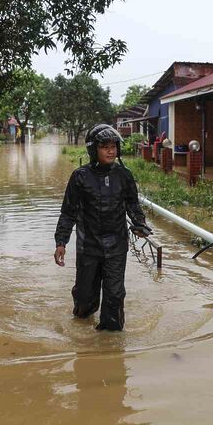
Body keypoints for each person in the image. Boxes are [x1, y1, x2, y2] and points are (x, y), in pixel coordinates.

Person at [54, 124, 152, 331]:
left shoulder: (124, 175)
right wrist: (61, 242)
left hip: (117, 245)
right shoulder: (80, 177)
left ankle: (111, 342)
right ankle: (81, 327)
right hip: (88, 246)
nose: (111, 151)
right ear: (93, 150)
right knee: (84, 298)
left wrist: (140, 224)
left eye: (114, 146)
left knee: (115, 295)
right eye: (105, 147)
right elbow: (68, 212)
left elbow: (132, 205)